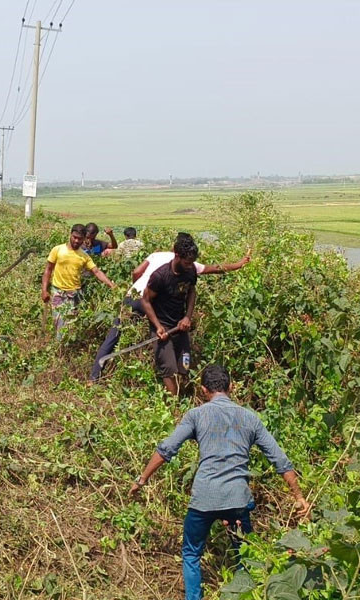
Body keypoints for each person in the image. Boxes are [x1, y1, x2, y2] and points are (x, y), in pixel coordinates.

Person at [130, 364, 310, 600]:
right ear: (231, 387)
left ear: (203, 390)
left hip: (204, 498)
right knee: (245, 555)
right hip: (237, 499)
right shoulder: (250, 418)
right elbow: (280, 460)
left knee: (192, 553)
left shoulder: (196, 415)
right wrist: (299, 496)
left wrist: (142, 479)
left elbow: (167, 449)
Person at [90, 238, 251, 381]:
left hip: (133, 297)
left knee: (115, 335)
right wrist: (240, 264)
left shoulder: (158, 255)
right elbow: (216, 268)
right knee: (162, 332)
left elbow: (136, 272)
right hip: (149, 300)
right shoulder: (188, 264)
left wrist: (136, 287)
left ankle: (94, 377)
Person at [140, 233, 204, 395]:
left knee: (185, 366)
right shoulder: (160, 276)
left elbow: (192, 292)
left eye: (192, 263)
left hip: (180, 326)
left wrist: (187, 316)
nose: (190, 266)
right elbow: (145, 300)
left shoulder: (190, 271)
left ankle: (180, 398)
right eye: (187, 262)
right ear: (177, 256)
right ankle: (172, 407)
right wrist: (158, 326)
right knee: (169, 368)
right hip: (162, 326)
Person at [41, 224, 117, 335]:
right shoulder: (58, 250)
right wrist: (44, 290)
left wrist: (111, 285)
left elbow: (96, 271)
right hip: (58, 292)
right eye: (74, 237)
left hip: (75, 294)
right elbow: (48, 270)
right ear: (70, 235)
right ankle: (60, 347)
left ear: (83, 239)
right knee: (60, 322)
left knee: (71, 324)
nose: (76, 241)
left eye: (79, 239)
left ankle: (64, 348)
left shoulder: (84, 256)